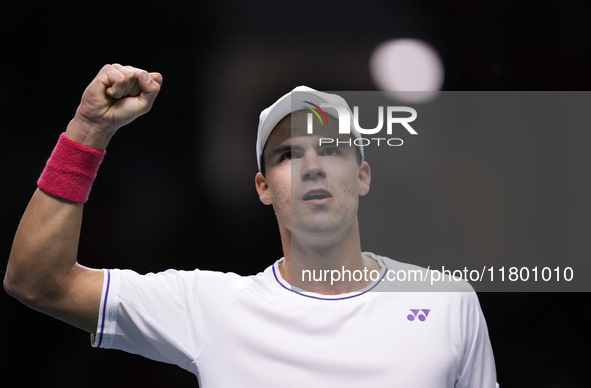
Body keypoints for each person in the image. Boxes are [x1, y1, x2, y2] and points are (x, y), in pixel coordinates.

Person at [4, 64, 499, 387]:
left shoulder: (446, 301)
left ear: (363, 176)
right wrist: (89, 131)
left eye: (330, 149)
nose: (312, 166)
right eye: (288, 155)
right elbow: (37, 280)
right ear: (264, 188)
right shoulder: (210, 307)